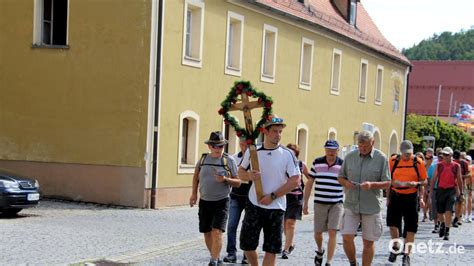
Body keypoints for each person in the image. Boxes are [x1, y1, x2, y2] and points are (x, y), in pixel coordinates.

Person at [238, 116, 301, 266]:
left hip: (276, 207)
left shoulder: (287, 154)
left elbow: (295, 180)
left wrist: (272, 196)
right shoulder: (253, 151)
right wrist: (248, 175)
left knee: (271, 249)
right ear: (265, 132)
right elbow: (240, 172)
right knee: (247, 244)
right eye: (274, 131)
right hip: (254, 203)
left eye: (280, 132)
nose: (278, 135)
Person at [337, 130, 391, 266]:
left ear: (372, 143)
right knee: (347, 237)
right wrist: (346, 183)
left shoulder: (381, 158)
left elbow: (387, 182)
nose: (363, 149)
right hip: (351, 203)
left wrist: (372, 184)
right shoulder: (350, 157)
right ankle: (353, 262)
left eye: (366, 146)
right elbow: (340, 177)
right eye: (360, 146)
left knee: (368, 241)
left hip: (371, 206)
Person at [189, 131, 241, 266]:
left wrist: (225, 179)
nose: (218, 149)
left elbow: (238, 182)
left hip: (222, 201)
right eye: (215, 146)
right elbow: (196, 178)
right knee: (207, 233)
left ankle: (213, 260)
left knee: (217, 231)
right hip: (205, 201)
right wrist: (194, 194)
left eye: (221, 146)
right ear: (210, 146)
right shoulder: (203, 160)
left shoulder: (228, 160)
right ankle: (215, 257)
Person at [386, 141, 427, 265]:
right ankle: (396, 246)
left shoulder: (417, 162)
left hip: (411, 196)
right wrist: (388, 197)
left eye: (409, 153)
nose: (407, 155)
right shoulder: (393, 161)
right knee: (393, 224)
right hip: (396, 195)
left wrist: (418, 186)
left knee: (411, 227)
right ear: (400, 152)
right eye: (405, 153)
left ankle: (407, 255)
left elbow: (424, 180)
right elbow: (388, 179)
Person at [304, 140, 344, 266]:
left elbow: (347, 184)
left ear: (338, 150)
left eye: (333, 150)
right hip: (320, 203)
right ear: (325, 150)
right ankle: (320, 250)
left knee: (333, 232)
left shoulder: (343, 165)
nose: (330, 152)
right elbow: (310, 182)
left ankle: (329, 261)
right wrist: (305, 203)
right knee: (318, 232)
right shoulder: (317, 162)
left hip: (336, 203)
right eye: (328, 150)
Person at [223, 137, 250, 264]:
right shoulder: (234, 158)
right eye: (241, 144)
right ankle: (231, 253)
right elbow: (232, 175)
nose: (243, 147)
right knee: (232, 225)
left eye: (245, 145)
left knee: (247, 227)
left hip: (250, 197)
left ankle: (247, 255)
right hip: (235, 195)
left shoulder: (255, 159)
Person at [281, 143, 310, 259]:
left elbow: (311, 178)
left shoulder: (301, 164)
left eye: (293, 151)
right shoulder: (282, 163)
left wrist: (306, 188)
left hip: (296, 197)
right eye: (289, 151)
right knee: (283, 223)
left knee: (290, 223)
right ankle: (290, 243)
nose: (291, 153)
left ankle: (286, 249)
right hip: (283, 195)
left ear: (296, 154)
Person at [430, 147, 463, 241]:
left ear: (451, 156)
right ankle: (443, 224)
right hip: (440, 190)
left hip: (451, 190)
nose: (445, 156)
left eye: (447, 155)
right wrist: (431, 191)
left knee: (449, 210)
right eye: (444, 155)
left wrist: (461, 193)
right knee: (440, 211)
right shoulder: (439, 165)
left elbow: (459, 180)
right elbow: (434, 178)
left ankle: (447, 231)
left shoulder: (456, 166)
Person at [452, 150, 470, 227]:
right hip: (452, 185)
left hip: (461, 184)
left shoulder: (464, 163)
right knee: (454, 202)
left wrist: (460, 177)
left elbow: (468, 174)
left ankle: (458, 218)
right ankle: (454, 217)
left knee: (460, 202)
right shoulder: (451, 162)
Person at [428, 153, 443, 234]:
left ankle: (442, 223)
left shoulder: (446, 166)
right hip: (435, 189)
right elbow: (429, 178)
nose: (441, 158)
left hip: (444, 189)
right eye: (440, 157)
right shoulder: (433, 166)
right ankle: (436, 224)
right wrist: (429, 190)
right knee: (434, 207)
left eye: (442, 157)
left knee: (441, 208)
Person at [463, 155, 472, 223]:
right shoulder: (463, 167)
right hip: (465, 185)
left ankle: (469, 215)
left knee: (469, 200)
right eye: (466, 160)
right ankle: (463, 215)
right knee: (464, 200)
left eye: (468, 160)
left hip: (471, 185)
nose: (467, 161)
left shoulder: (472, 167)